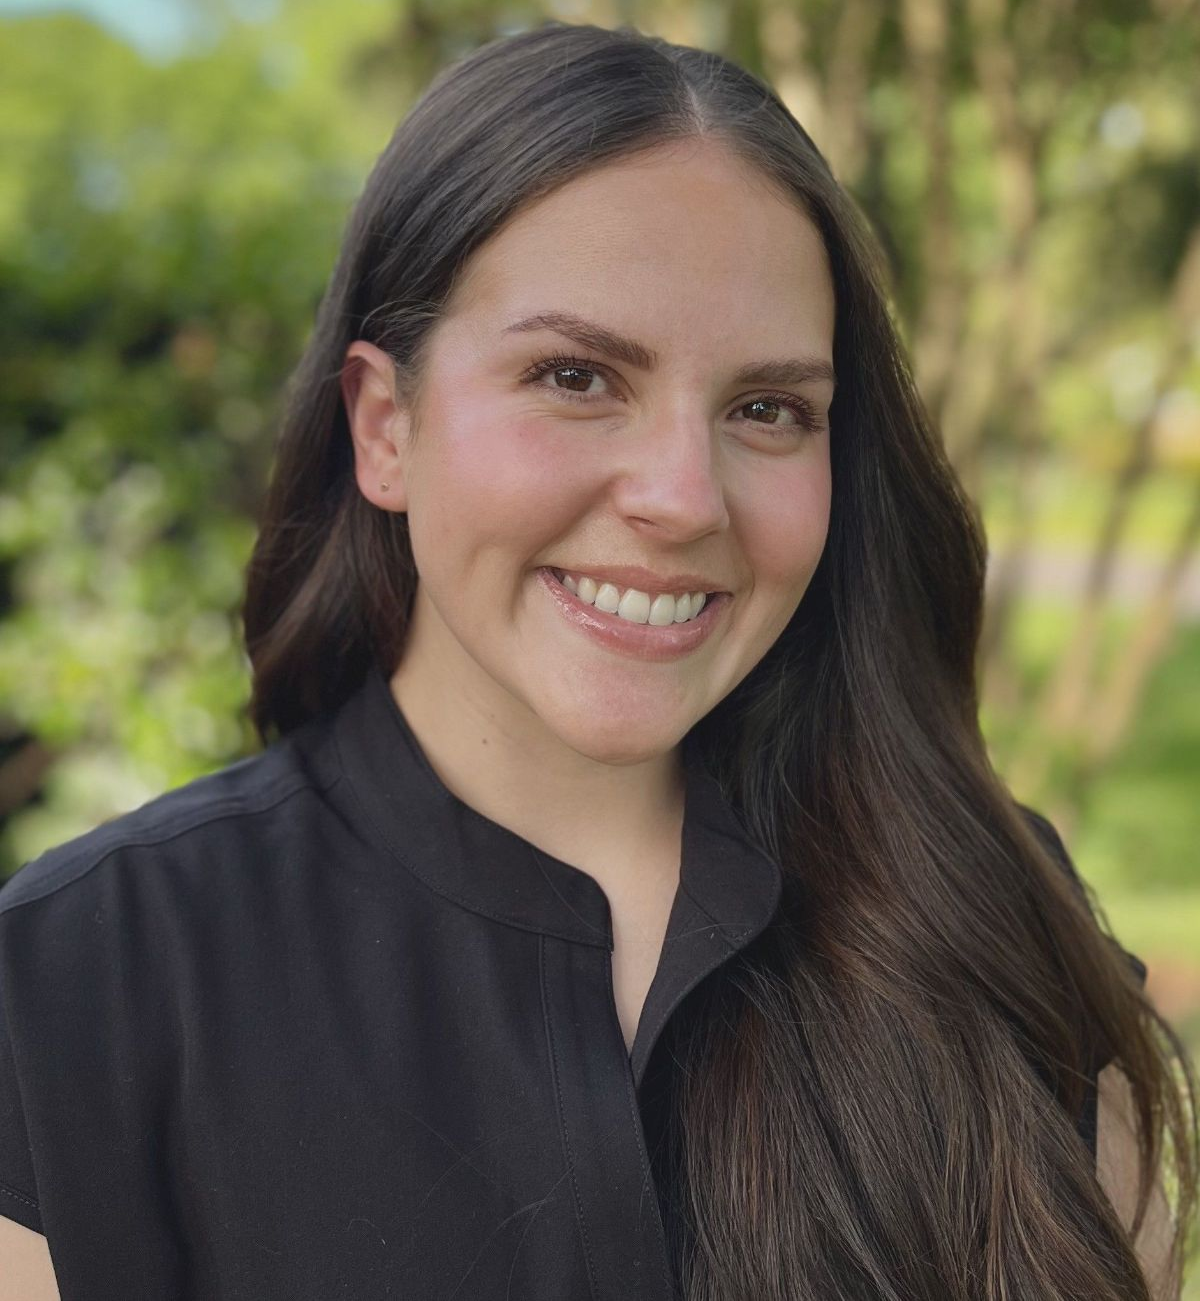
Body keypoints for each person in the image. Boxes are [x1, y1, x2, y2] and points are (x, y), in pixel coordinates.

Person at [0, 19, 1194, 1301]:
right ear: (385, 426)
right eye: (575, 375)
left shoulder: (995, 922)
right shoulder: (74, 990)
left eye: (767, 408)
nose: (684, 496)